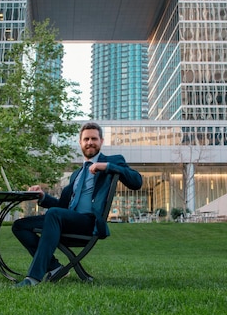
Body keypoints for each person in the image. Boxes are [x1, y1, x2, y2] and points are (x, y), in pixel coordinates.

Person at [12, 122, 142, 287]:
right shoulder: (76, 175)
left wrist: (106, 166)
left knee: (54, 214)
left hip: (89, 222)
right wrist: (42, 196)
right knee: (19, 226)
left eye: (94, 138)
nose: (90, 142)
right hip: (68, 221)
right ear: (80, 143)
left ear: (101, 141)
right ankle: (54, 267)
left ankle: (33, 278)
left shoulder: (113, 161)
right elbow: (61, 206)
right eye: (86, 139)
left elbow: (137, 181)